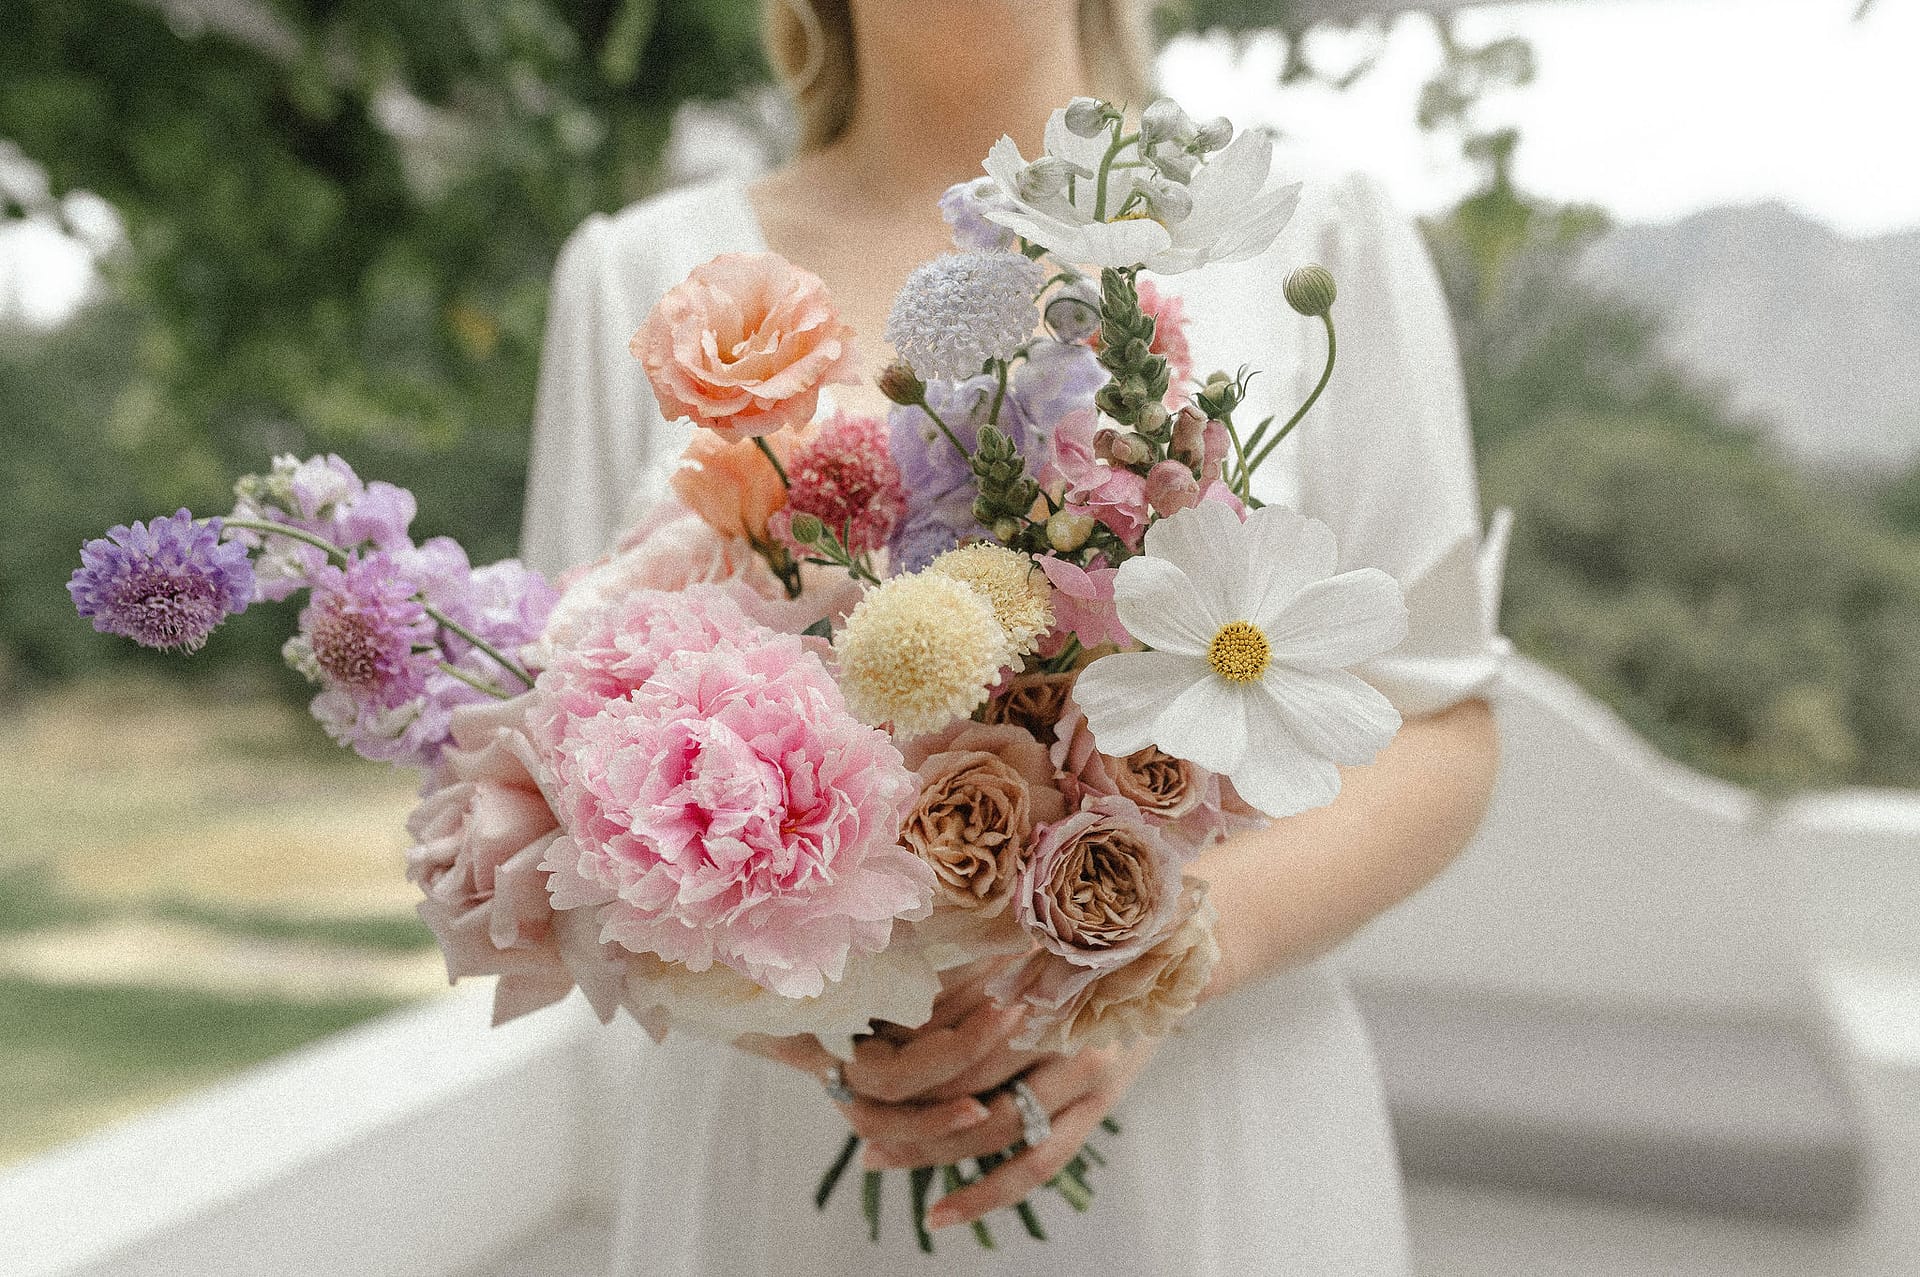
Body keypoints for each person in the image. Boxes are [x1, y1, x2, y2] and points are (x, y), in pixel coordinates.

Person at [520, 1, 1505, 1270]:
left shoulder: (1315, 237)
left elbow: (1439, 724)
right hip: (787, 1158)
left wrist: (1147, 967)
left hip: (1206, 1132)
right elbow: (547, 759)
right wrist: (814, 1012)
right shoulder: (635, 273)